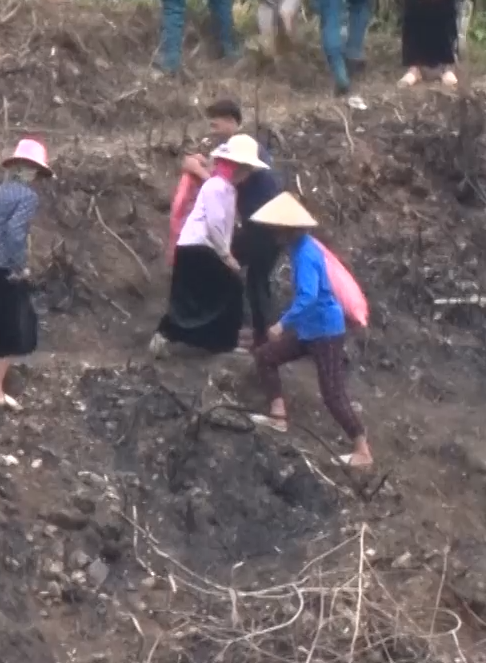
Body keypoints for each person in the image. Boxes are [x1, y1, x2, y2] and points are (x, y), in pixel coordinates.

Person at [247, 193, 373, 469]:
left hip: (325, 331)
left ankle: (362, 450)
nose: (272, 234)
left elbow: (308, 296)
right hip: (309, 329)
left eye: (275, 229)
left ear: (286, 230)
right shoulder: (300, 248)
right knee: (266, 356)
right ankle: (278, 416)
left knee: (332, 394)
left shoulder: (304, 253)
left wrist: (282, 323)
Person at [178, 99, 282, 346]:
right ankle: (255, 334)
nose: (212, 126)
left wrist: (198, 169)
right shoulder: (236, 148)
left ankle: (239, 333)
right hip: (263, 227)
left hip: (265, 228)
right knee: (255, 280)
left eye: (217, 121)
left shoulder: (246, 149)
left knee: (240, 274)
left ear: (233, 122)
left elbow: (223, 185)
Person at [151, 136, 266, 356]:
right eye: (245, 168)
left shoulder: (228, 190)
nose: (247, 174)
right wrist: (225, 255)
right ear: (236, 167)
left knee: (207, 294)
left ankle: (217, 341)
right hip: (197, 247)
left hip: (203, 247)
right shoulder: (216, 187)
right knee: (227, 287)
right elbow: (214, 224)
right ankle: (174, 334)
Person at [0, 138, 53, 410]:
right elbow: (15, 233)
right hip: (1, 266)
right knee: (16, 326)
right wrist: (20, 266)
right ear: (30, 171)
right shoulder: (27, 197)